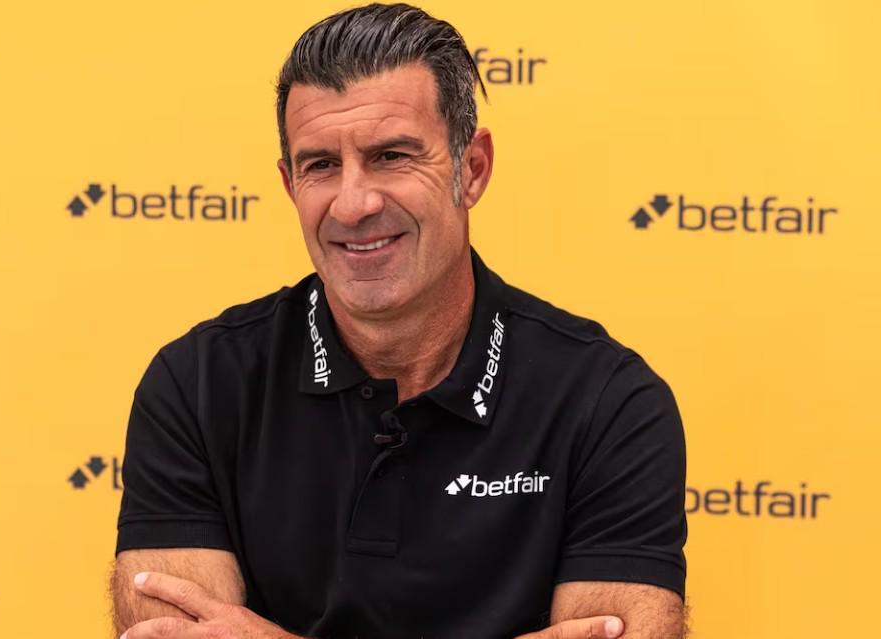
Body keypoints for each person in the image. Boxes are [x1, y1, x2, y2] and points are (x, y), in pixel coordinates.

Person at [111, 4, 688, 638]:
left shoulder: (607, 401)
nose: (353, 204)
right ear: (289, 184)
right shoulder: (197, 385)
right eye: (320, 165)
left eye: (391, 156)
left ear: (472, 169)